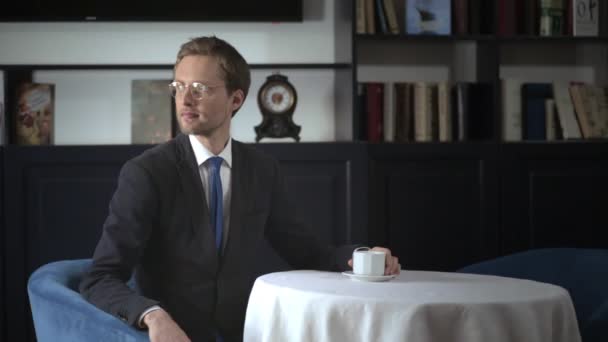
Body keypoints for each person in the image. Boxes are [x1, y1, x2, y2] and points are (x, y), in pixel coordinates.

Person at [80, 35, 400, 342]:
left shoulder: (262, 169)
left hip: (247, 333)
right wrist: (153, 315)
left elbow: (308, 253)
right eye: (179, 87)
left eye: (200, 88)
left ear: (236, 98)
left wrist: (363, 257)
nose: (185, 99)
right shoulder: (146, 172)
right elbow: (101, 278)